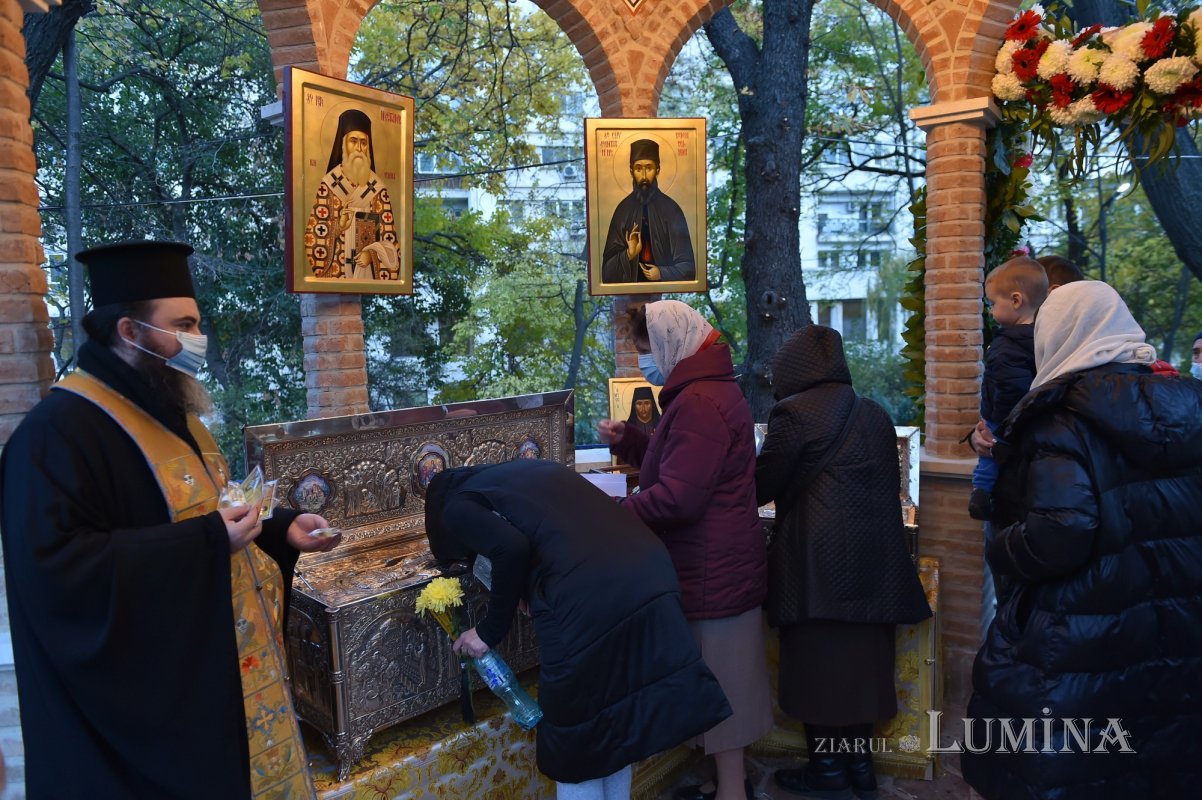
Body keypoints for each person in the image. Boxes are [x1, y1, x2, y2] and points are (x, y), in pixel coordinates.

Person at [0, 240, 342, 799]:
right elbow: (56, 574)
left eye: (197, 323)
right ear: (130, 332)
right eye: (182, 325)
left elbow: (210, 507)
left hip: (215, 681)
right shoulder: (57, 434)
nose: (196, 340)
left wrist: (278, 527)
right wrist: (205, 542)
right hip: (142, 725)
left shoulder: (172, 412)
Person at [962, 281, 1202, 800]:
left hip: (1082, 629)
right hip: (1173, 627)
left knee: (1078, 762)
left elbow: (1060, 531)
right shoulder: (1190, 405)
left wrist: (1001, 546)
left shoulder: (1061, 418)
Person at [423, 459, 732, 800]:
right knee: (615, 727)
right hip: (650, 574)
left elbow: (510, 548)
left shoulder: (453, 507)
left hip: (590, 602)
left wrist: (487, 632)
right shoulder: (527, 471)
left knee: (576, 748)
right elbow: (554, 537)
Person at [598, 300, 771, 800]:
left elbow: (680, 495)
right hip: (715, 560)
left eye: (647, 351)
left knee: (724, 689)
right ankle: (726, 784)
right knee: (718, 684)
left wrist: (610, 515)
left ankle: (733, 792)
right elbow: (678, 459)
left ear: (672, 343)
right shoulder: (705, 391)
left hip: (711, 567)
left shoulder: (698, 401)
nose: (645, 363)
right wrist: (631, 440)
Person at [755, 325, 932, 800]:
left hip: (817, 569)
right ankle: (861, 771)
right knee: (860, 673)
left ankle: (827, 774)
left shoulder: (792, 413)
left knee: (819, 672)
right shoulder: (873, 413)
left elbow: (762, 486)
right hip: (876, 568)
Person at [968, 257, 1048, 521]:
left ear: (1016, 301)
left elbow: (1010, 388)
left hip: (1004, 418)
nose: (990, 311)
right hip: (1029, 425)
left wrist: (999, 426)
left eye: (992, 304)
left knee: (988, 457)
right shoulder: (1043, 339)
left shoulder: (1007, 345)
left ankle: (980, 492)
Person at [305, 108, 401, 281]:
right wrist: (339, 226)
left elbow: (390, 241)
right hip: (337, 274)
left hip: (368, 273)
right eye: (353, 141)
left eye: (364, 142)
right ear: (343, 144)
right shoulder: (329, 184)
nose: (359, 148)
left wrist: (371, 255)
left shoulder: (378, 188)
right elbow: (312, 239)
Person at [600, 139, 695, 284]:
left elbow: (689, 269)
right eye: (638, 169)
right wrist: (629, 254)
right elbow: (606, 273)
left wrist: (662, 273)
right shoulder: (623, 210)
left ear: (657, 170)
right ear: (631, 171)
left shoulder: (672, 210)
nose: (644, 176)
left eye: (649, 168)